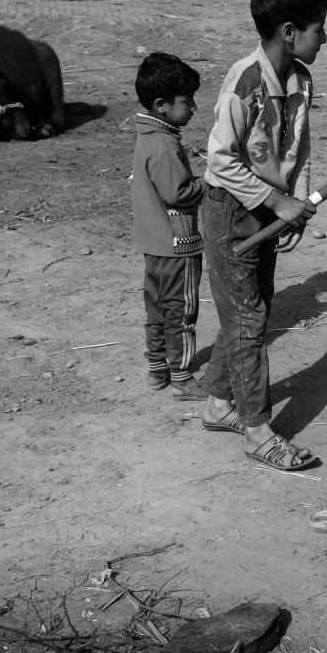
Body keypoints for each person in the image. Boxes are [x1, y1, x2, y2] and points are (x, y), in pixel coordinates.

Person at [197, 0, 327, 471]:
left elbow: (296, 148)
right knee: (248, 319)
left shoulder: (300, 79)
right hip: (231, 210)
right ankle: (256, 431)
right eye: (320, 28)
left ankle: (218, 403)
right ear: (290, 31)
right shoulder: (245, 82)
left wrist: (295, 200)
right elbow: (219, 160)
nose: (326, 38)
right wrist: (275, 204)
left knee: (253, 310)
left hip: (268, 206)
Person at [130, 52, 206, 400]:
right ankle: (183, 377)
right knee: (182, 309)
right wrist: (210, 183)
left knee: (157, 309)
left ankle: (157, 368)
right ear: (162, 105)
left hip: (153, 244)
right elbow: (179, 193)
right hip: (178, 244)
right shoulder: (165, 144)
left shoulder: (147, 136)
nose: (193, 108)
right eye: (187, 101)